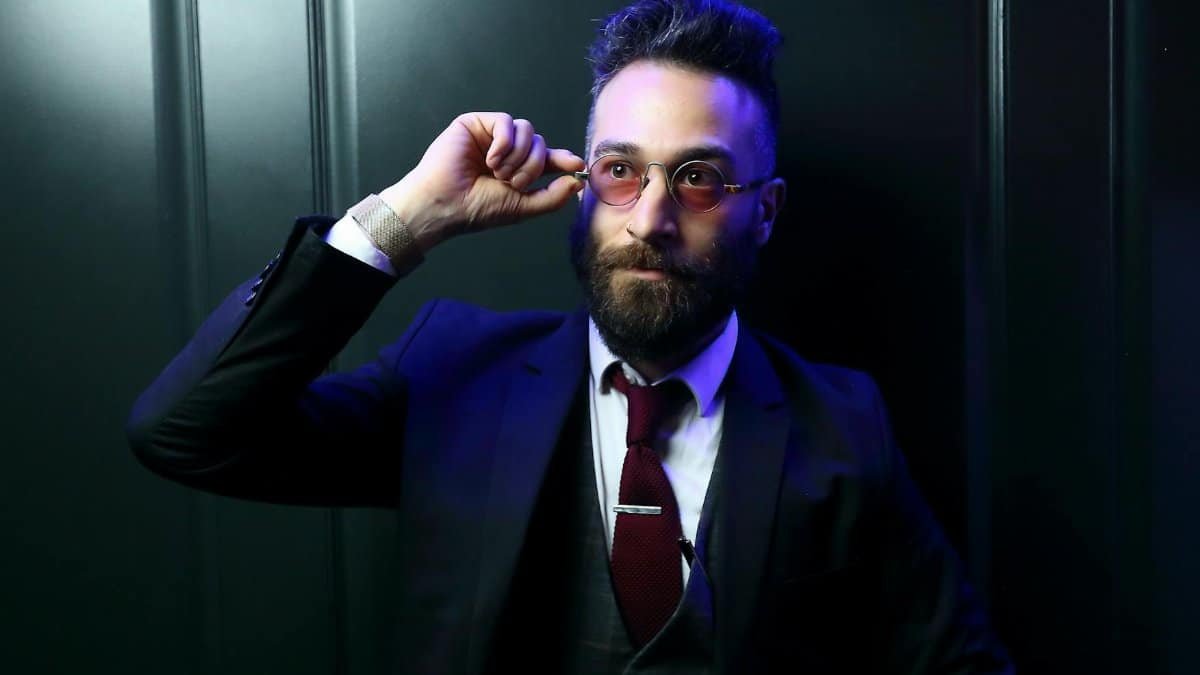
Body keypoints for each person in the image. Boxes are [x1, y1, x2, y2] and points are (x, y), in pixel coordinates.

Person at [127, 0, 1013, 672]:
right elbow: (184, 431)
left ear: (766, 212)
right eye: (621, 171)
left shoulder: (842, 423)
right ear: (585, 183)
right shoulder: (454, 374)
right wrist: (403, 223)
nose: (651, 220)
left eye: (699, 178)